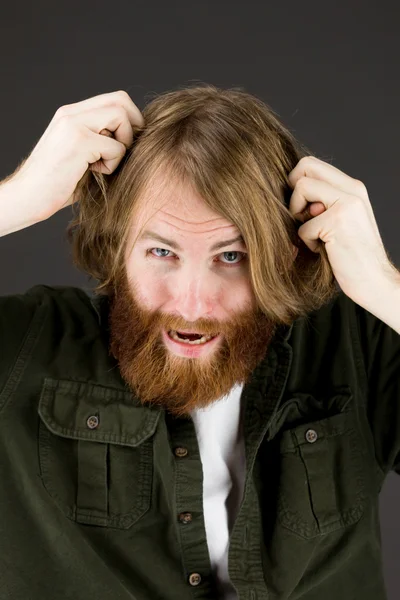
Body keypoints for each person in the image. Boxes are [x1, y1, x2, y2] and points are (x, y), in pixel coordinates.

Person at [0, 84, 399, 600]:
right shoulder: (30, 344)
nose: (191, 304)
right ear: (119, 247)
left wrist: (383, 285)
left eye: (231, 256)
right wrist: (15, 200)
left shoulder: (356, 340)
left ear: (281, 253)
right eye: (162, 251)